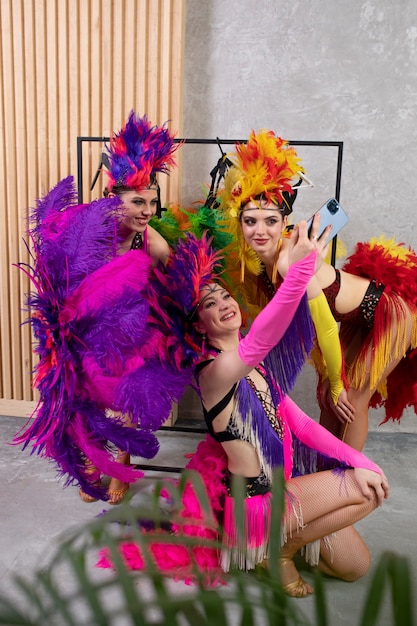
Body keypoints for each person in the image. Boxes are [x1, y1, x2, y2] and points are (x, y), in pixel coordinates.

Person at [97, 226, 389, 597]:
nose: (224, 304)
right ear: (197, 327)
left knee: (354, 567)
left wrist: (359, 459)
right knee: (368, 491)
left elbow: (301, 425)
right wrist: (297, 274)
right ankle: (281, 550)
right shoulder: (212, 372)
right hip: (258, 509)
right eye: (209, 304)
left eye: (224, 296)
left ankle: (293, 536)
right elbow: (262, 339)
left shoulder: (259, 367)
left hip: (288, 487)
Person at [14, 112, 183, 504]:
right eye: (138, 202)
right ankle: (93, 461)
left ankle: (120, 461)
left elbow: (177, 282)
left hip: (133, 332)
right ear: (114, 201)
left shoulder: (150, 240)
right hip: (86, 332)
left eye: (152, 203)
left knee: (126, 398)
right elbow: (55, 273)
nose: (146, 211)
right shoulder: (87, 232)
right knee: (84, 395)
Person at [215, 130, 417, 451]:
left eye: (270, 221)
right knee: (327, 397)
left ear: (284, 223)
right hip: (357, 318)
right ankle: (328, 473)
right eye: (251, 221)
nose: (260, 231)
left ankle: (353, 481)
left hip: (391, 313)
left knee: (351, 398)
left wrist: (337, 382)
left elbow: (323, 324)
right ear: (238, 223)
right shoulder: (256, 265)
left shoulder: (286, 261)